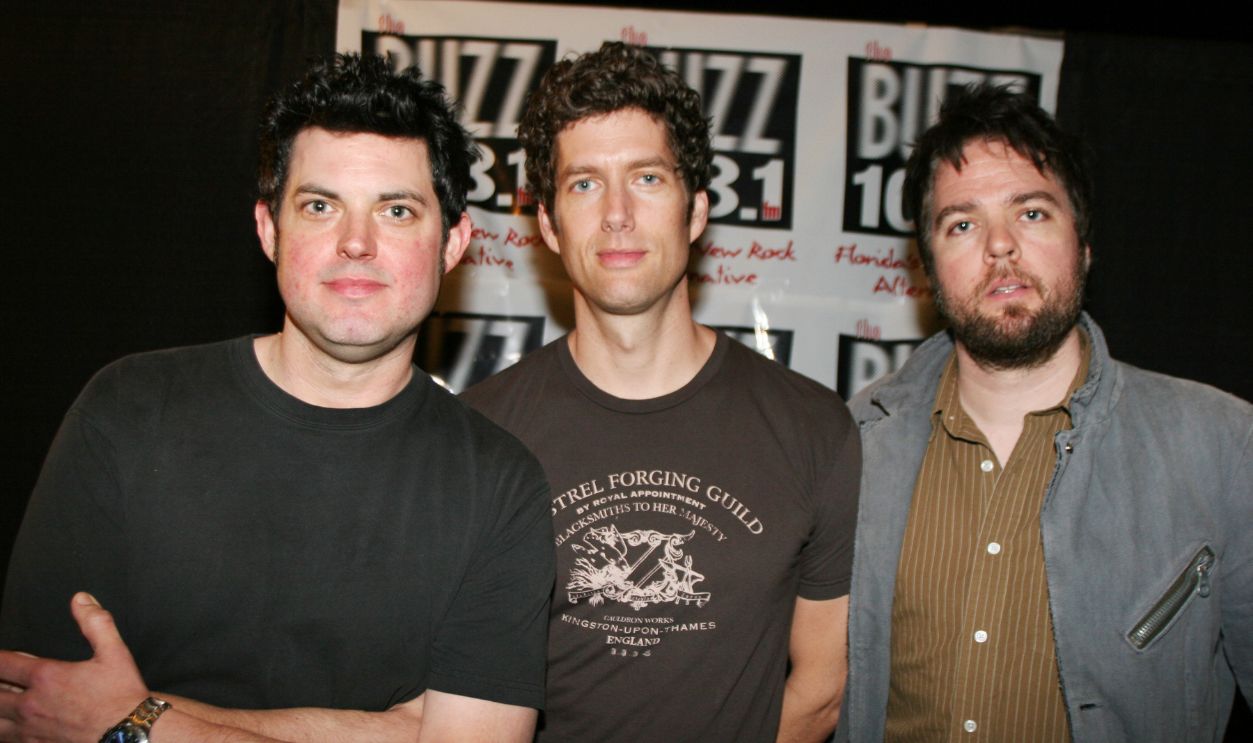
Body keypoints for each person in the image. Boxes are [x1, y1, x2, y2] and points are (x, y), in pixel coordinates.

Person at [0, 53, 553, 743]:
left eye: (397, 209)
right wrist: (391, 729)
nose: (356, 242)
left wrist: (143, 722)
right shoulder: (129, 410)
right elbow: (38, 708)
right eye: (320, 206)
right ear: (269, 228)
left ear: (452, 243)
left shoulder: (499, 482)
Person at [462, 42, 860, 743]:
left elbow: (821, 689)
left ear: (696, 211)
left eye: (646, 178)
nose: (616, 213)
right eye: (584, 184)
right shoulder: (478, 437)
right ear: (548, 225)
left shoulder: (813, 428)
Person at [838, 84, 1252, 742]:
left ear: (1084, 246)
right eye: (962, 223)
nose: (999, 246)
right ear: (927, 268)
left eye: (1030, 214)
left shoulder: (1222, 446)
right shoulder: (852, 444)